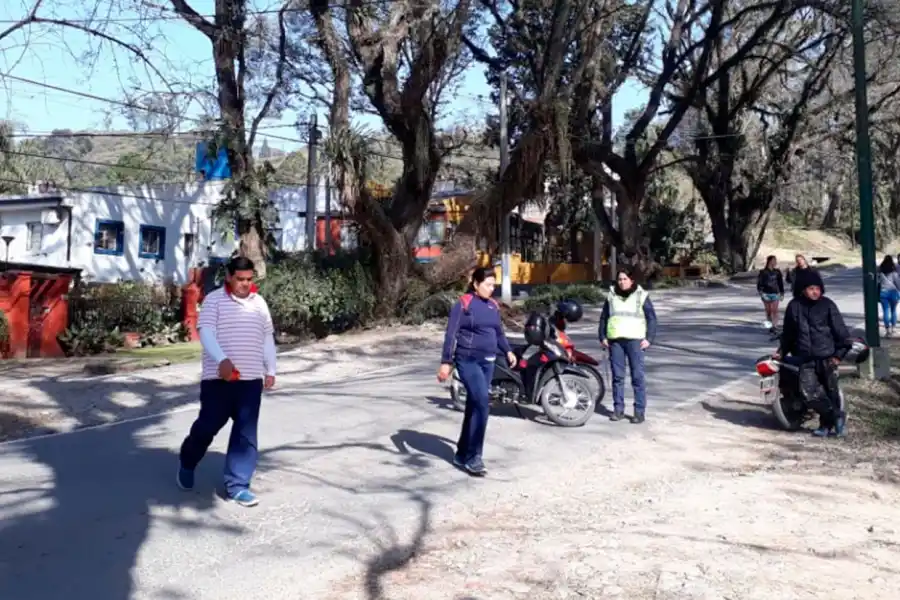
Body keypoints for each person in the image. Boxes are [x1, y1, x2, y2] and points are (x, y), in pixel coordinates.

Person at [177, 256, 277, 507]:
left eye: (249, 279)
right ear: (229, 277)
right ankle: (188, 461)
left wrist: (271, 369)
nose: (245, 284)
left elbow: (267, 338)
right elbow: (206, 332)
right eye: (240, 279)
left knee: (245, 433)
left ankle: (238, 485)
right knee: (207, 427)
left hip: (250, 381)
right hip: (218, 380)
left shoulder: (259, 303)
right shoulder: (214, 300)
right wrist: (222, 359)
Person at [437, 267, 516, 477]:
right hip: (467, 360)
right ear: (475, 284)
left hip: (488, 362)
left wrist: (508, 351)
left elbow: (498, 332)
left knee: (474, 406)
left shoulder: (492, 306)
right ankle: (474, 458)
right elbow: (451, 334)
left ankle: (462, 454)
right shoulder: (463, 304)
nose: (491, 289)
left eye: (493, 285)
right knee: (482, 403)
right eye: (487, 285)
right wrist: (446, 362)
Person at [775, 268, 851, 437]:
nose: (815, 292)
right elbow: (788, 334)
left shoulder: (828, 305)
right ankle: (837, 416)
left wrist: (838, 356)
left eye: (818, 288)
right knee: (809, 394)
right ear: (803, 289)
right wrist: (781, 352)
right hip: (805, 358)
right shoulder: (794, 306)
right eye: (811, 288)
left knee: (830, 391)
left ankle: (827, 426)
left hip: (827, 357)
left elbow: (842, 333)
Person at [597, 266, 658, 423]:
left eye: (625, 279)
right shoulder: (611, 295)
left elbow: (651, 318)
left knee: (637, 377)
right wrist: (602, 336)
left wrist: (649, 338)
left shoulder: (641, 295)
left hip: (635, 341)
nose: (622, 282)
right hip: (615, 341)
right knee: (618, 377)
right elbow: (604, 317)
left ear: (631, 280)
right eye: (620, 279)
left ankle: (639, 412)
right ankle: (618, 410)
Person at [756, 255, 785, 334]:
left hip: (775, 293)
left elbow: (780, 283)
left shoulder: (777, 272)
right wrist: (761, 293)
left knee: (774, 310)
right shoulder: (763, 272)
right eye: (773, 260)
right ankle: (770, 326)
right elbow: (759, 284)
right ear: (769, 261)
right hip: (766, 293)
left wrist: (782, 293)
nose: (775, 262)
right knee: (768, 311)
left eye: (775, 260)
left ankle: (775, 326)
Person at [878, 255, 900, 337]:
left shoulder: (880, 273)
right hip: (893, 292)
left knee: (886, 311)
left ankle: (887, 330)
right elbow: (898, 284)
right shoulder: (894, 273)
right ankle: (893, 329)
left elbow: (877, 282)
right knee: (893, 311)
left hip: (883, 293)